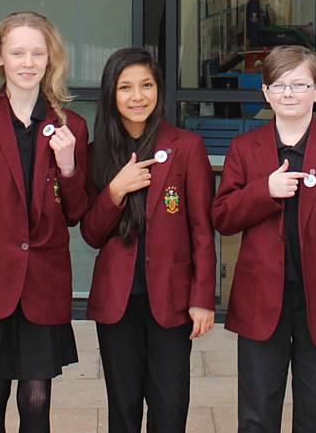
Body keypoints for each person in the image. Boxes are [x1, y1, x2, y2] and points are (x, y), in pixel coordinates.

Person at [212, 45, 316, 433]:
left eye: (300, 84)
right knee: (257, 409)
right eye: (278, 85)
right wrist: (264, 190)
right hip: (261, 298)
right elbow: (223, 217)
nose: (288, 94)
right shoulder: (245, 149)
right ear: (264, 93)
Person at [0, 12, 88, 433]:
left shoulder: (71, 125)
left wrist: (68, 165)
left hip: (44, 284)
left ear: (51, 59)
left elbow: (76, 213)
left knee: (37, 400)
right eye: (18, 53)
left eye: (37, 53)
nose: (28, 62)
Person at [80, 47, 216, 433]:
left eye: (146, 85)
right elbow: (90, 233)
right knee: (123, 409)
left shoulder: (186, 147)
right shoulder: (97, 152)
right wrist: (114, 192)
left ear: (159, 91)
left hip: (171, 301)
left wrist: (203, 297)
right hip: (117, 303)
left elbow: (202, 231)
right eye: (125, 87)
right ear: (111, 94)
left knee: (170, 408)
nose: (137, 96)